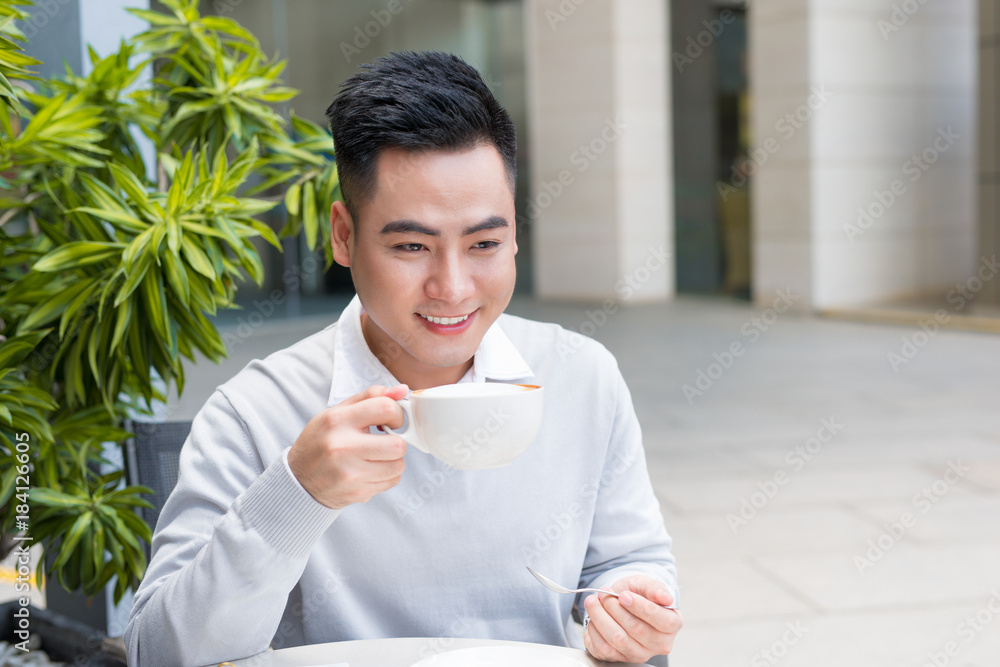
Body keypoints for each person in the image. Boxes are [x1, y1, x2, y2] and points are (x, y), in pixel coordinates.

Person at [125, 50, 681, 666]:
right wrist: (297, 493)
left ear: (516, 235)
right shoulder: (255, 411)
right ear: (343, 235)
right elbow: (160, 652)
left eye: (485, 243)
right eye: (412, 245)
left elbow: (628, 561)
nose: (453, 287)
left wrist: (631, 607)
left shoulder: (582, 377)